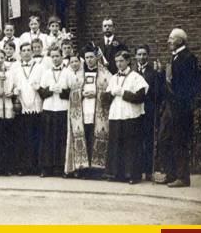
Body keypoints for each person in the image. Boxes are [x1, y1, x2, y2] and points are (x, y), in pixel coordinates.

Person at [156, 28, 198, 188]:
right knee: (164, 139)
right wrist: (161, 73)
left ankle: (182, 177)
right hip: (170, 106)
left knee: (179, 141)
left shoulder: (188, 58)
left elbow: (188, 86)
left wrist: (179, 103)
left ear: (180, 41)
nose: (168, 41)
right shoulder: (175, 57)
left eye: (171, 38)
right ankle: (171, 173)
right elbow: (170, 82)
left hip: (180, 108)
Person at [65, 45, 111, 178]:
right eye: (87, 58)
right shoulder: (79, 74)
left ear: (96, 58)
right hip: (83, 112)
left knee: (96, 136)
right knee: (84, 137)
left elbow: (110, 89)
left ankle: (98, 170)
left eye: (91, 57)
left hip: (98, 112)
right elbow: (72, 90)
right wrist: (81, 93)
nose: (89, 60)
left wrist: (97, 93)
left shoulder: (105, 73)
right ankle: (83, 168)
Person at [103, 51, 149, 184]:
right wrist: (111, 93)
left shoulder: (136, 77)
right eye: (116, 61)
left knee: (131, 146)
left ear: (128, 61)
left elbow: (140, 97)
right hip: (116, 115)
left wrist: (123, 93)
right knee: (116, 144)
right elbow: (105, 99)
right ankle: (116, 174)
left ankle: (133, 175)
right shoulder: (113, 78)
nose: (119, 64)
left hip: (130, 115)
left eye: (121, 61)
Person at [38, 47, 76, 177]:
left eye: (57, 56)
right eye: (52, 56)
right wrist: (49, 90)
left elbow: (74, 93)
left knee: (61, 138)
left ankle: (61, 168)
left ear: (62, 56)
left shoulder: (68, 73)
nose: (55, 59)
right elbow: (41, 92)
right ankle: (46, 168)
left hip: (63, 108)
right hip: (49, 108)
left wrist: (63, 92)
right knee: (48, 138)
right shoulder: (47, 73)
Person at [9, 42, 44, 175]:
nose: (26, 52)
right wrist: (15, 90)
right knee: (23, 137)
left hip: (36, 105)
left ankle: (37, 166)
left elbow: (43, 84)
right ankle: (23, 166)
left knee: (36, 137)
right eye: (24, 50)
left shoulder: (40, 67)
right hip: (22, 106)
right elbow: (12, 85)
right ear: (20, 53)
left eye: (29, 50)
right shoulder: (15, 68)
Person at [134, 44, 164, 180]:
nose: (141, 57)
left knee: (148, 140)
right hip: (134, 110)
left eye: (144, 54)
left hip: (148, 110)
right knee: (136, 141)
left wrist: (159, 75)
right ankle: (136, 170)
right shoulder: (132, 72)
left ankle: (149, 171)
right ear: (135, 56)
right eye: (139, 54)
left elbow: (158, 93)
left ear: (148, 55)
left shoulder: (153, 72)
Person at [0, 49, 16, 177]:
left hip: (8, 105)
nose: (0, 60)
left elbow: (16, 86)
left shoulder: (10, 72)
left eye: (2, 57)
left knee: (7, 138)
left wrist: (13, 92)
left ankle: (7, 167)